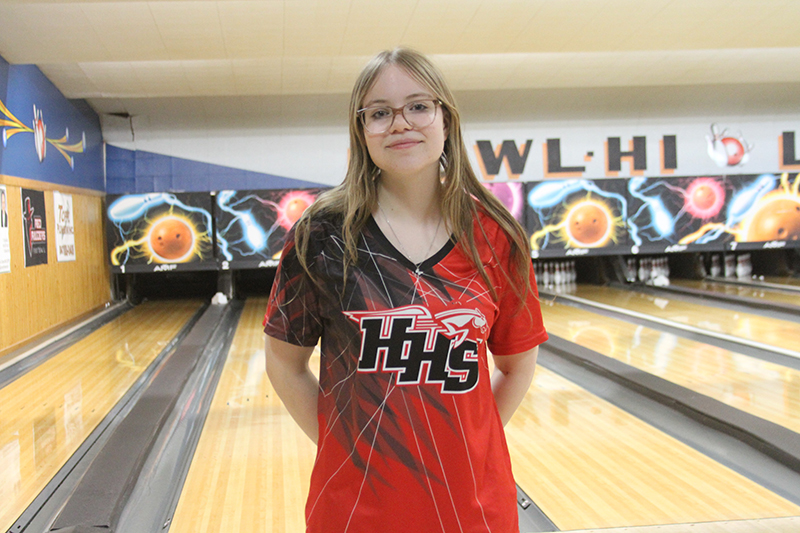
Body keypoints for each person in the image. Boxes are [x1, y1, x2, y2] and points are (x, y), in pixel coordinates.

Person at [264, 47, 548, 533]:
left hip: (475, 509)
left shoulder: (496, 235)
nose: (400, 123)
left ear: (445, 118)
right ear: (361, 132)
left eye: (419, 106)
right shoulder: (322, 235)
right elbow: (283, 365)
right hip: (354, 510)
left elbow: (518, 366)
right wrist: (344, 447)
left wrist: (469, 447)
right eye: (379, 113)